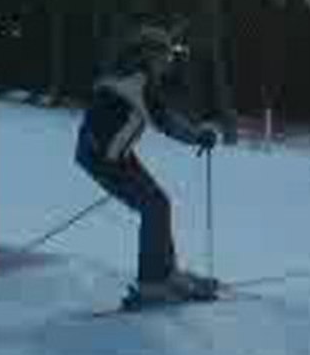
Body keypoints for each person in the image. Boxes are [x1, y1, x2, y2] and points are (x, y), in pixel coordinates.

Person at [75, 25, 218, 303]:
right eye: (165, 56)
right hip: (104, 158)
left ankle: (165, 273)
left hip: (111, 155)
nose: (168, 62)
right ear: (148, 54)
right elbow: (166, 121)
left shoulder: (126, 74)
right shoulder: (136, 80)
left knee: (158, 203)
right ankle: (153, 283)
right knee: (155, 206)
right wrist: (198, 135)